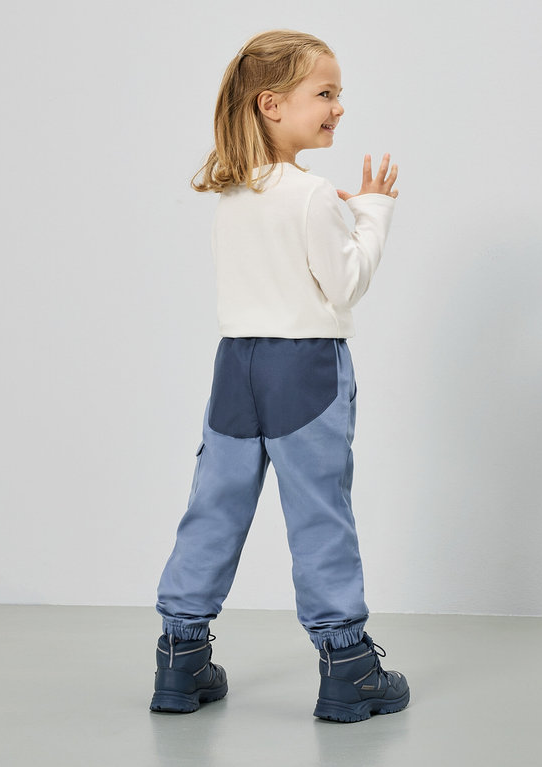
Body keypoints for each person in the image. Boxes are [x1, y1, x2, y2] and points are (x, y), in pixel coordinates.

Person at [150, 29, 409, 724]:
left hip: (236, 365)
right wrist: (375, 213)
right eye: (325, 94)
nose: (338, 108)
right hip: (306, 368)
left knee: (215, 505)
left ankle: (180, 657)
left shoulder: (234, 191)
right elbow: (344, 282)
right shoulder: (312, 193)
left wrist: (345, 215)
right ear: (271, 105)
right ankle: (349, 667)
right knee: (319, 511)